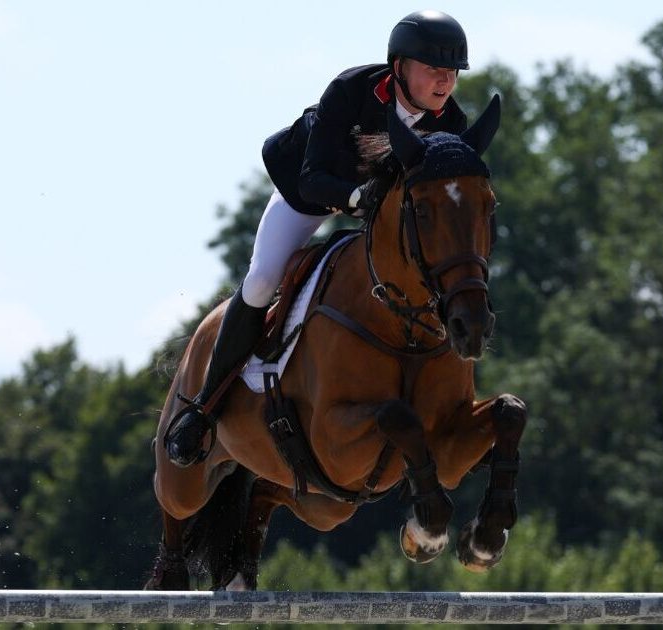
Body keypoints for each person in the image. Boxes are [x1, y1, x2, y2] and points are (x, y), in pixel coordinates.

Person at [165, 10, 472, 467]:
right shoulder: (351, 91)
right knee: (262, 280)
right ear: (399, 67)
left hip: (376, 217)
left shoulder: (451, 124)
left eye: (451, 73)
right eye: (433, 70)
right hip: (310, 195)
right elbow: (312, 179)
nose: (444, 81)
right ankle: (204, 407)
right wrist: (355, 197)